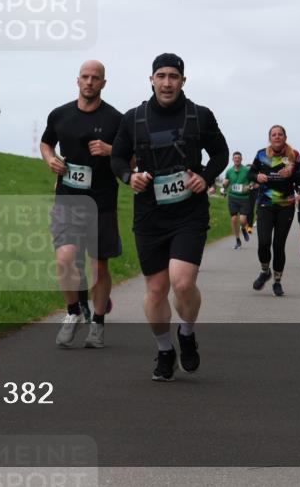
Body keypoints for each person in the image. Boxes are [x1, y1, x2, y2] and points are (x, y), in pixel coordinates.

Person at [110, 53, 229, 381]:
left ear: (183, 80)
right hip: (150, 214)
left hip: (189, 211)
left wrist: (205, 176)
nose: (167, 83)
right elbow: (117, 158)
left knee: (182, 281)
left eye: (173, 76)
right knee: (156, 289)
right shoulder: (133, 118)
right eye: (161, 76)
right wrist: (129, 177)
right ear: (151, 80)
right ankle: (165, 350)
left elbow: (220, 153)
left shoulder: (200, 116)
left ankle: (186, 333)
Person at [40, 61, 122, 349]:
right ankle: (73, 311)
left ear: (103, 83)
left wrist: (111, 150)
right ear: (77, 80)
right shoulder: (60, 114)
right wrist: (50, 159)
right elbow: (46, 144)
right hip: (67, 198)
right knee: (65, 258)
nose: (89, 82)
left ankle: (97, 322)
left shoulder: (116, 119)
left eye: (95, 78)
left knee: (98, 264)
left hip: (102, 201)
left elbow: (132, 158)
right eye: (85, 77)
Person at [248, 126, 300, 297]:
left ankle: (277, 281)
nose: (277, 137)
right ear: (269, 138)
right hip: (265, 204)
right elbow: (250, 173)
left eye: (280, 134)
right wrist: (257, 177)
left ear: (285, 137)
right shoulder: (261, 154)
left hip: (286, 206)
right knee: (264, 242)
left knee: (278, 245)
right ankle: (265, 271)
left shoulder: (294, 155)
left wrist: (291, 174)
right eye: (274, 134)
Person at [223, 151, 252, 249]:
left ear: (241, 159)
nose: (237, 159)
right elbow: (225, 184)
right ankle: (237, 239)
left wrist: (249, 186)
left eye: (239, 158)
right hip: (232, 197)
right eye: (235, 158)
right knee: (234, 219)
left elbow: (252, 182)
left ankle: (243, 228)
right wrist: (224, 184)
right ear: (233, 159)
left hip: (244, 198)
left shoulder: (247, 170)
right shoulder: (229, 171)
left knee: (243, 220)